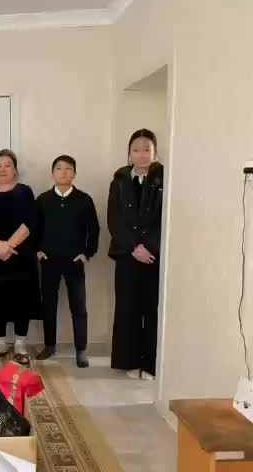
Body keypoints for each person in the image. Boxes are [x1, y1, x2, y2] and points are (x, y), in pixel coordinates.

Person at [0, 149, 41, 366]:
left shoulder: (25, 192)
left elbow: (30, 223)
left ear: (15, 169)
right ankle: (0, 343)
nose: (2, 169)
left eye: (7, 165)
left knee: (21, 300)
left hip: (20, 256)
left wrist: (9, 246)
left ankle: (20, 344)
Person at [108, 129, 163, 380]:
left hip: (154, 254)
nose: (141, 155)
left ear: (155, 153)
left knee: (152, 309)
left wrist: (148, 247)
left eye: (146, 150)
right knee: (127, 307)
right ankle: (128, 361)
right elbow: (114, 219)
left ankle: (150, 364)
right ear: (129, 154)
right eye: (136, 150)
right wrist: (134, 247)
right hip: (127, 253)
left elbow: (165, 218)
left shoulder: (163, 178)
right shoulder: (119, 179)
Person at [35, 155, 100, 368]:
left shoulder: (84, 199)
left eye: (68, 169)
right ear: (52, 173)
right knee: (48, 304)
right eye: (59, 168)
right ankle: (49, 345)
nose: (63, 172)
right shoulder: (43, 199)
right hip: (49, 260)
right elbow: (34, 228)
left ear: (74, 173)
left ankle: (81, 349)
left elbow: (94, 230)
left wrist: (87, 253)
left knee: (78, 305)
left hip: (74, 261)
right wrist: (38, 250)